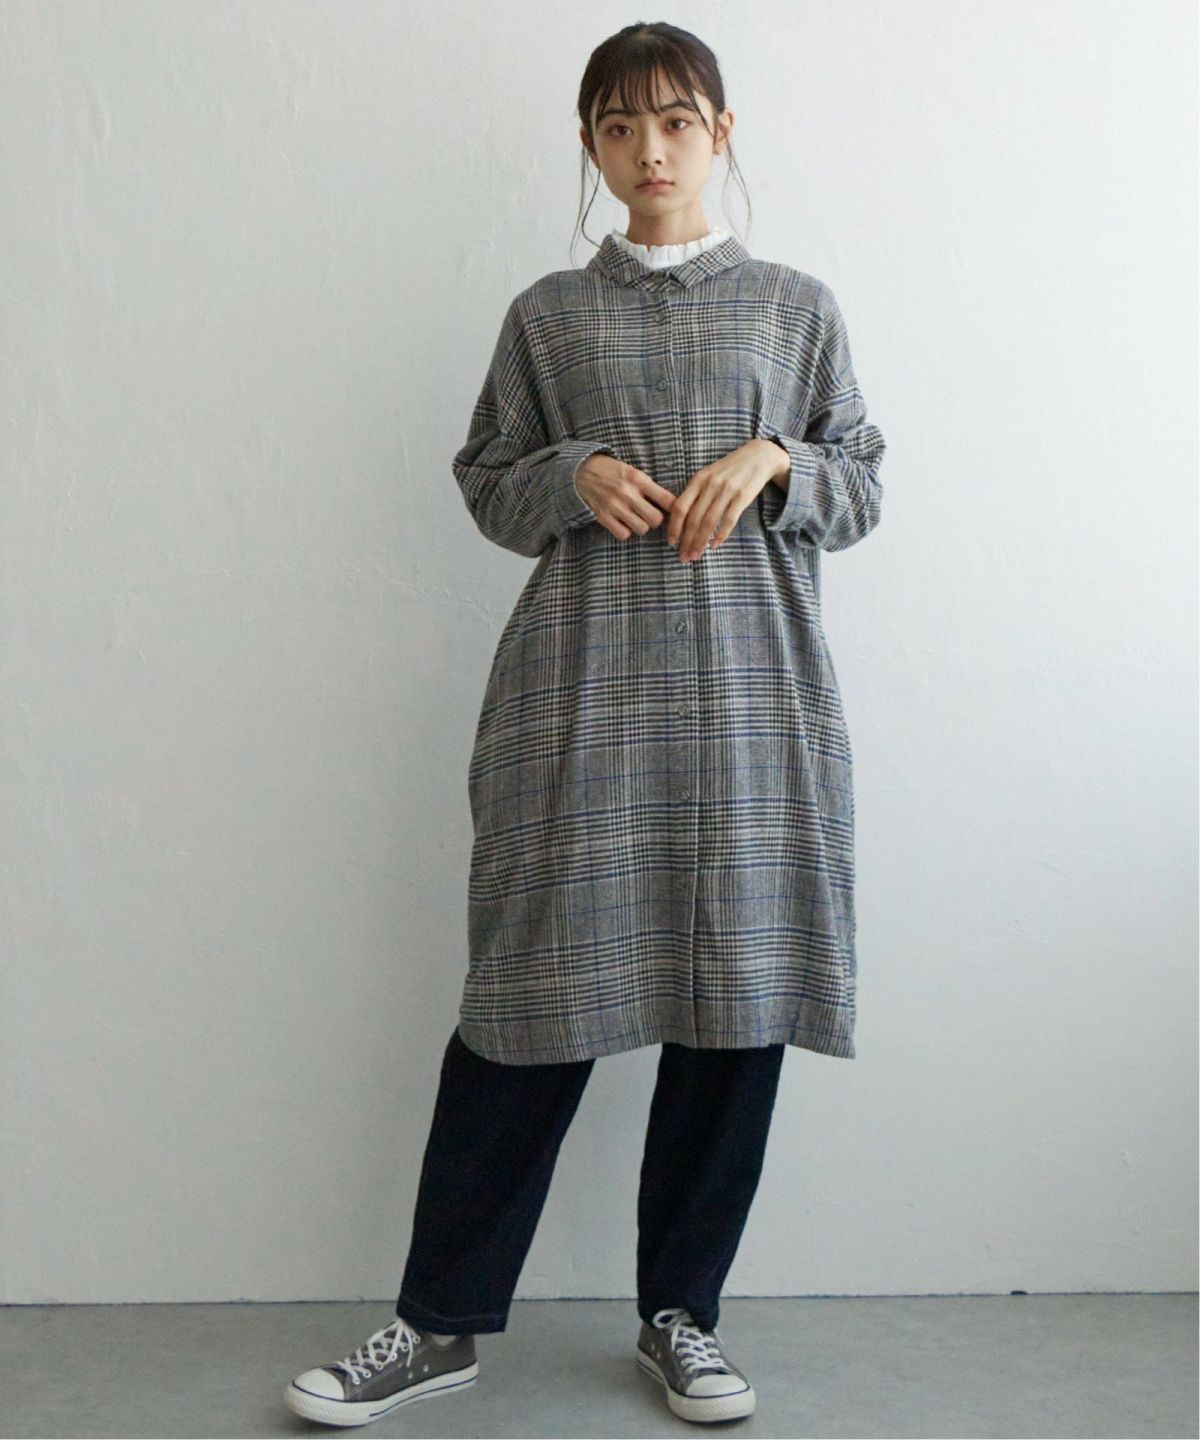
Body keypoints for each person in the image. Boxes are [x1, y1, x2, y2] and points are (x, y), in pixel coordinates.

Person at [285, 18, 886, 1430]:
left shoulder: (795, 307)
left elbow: (862, 481)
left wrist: (777, 458)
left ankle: (684, 1316)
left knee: (734, 1003)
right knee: (526, 1006)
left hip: (751, 707)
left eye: (674, 121)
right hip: (580, 701)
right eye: (620, 127)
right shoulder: (549, 316)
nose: (649, 150)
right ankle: (438, 1323)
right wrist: (570, 470)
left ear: (720, 133)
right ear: (591, 145)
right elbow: (486, 479)